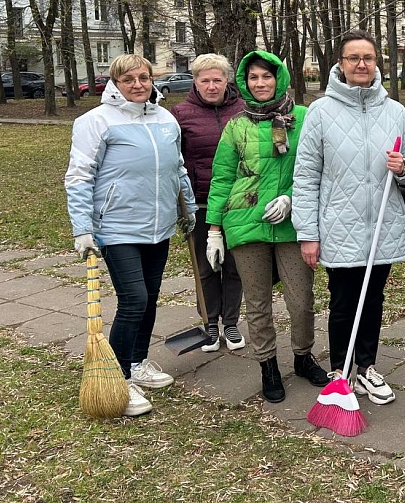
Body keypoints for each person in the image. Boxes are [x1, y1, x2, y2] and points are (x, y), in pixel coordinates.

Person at [65, 53, 196, 417]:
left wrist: (188, 207)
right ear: (115, 83)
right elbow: (79, 176)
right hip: (117, 227)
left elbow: (178, 168)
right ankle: (119, 377)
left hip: (159, 226)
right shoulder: (96, 121)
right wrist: (83, 228)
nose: (138, 85)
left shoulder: (165, 118)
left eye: (144, 77)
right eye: (128, 79)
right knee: (134, 299)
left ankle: (138, 362)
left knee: (150, 297)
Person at [293, 30, 405, 406]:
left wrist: (403, 169)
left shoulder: (395, 111)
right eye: (353, 58)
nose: (361, 64)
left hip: (382, 224)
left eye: (368, 57)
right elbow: (305, 176)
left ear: (377, 61)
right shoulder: (321, 111)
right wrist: (308, 233)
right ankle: (340, 370)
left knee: (373, 298)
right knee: (344, 299)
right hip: (338, 225)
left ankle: (367, 367)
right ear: (341, 64)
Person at [205, 50, 330, 404]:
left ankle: (304, 357)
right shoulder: (237, 125)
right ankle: (268, 365)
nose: (261, 84)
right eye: (254, 78)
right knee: (257, 302)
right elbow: (222, 178)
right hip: (246, 224)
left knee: (301, 299)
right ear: (245, 83)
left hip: (294, 224)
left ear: (280, 79)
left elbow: (318, 167)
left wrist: (291, 197)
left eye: (267, 76)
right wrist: (214, 230)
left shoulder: (304, 118)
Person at [171, 54, 245, 353]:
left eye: (217, 80)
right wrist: (181, 205)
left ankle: (230, 322)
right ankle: (210, 322)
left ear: (227, 81)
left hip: (239, 203)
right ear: (195, 82)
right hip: (200, 203)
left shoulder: (243, 110)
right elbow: (175, 161)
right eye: (205, 80)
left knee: (234, 266)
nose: (212, 86)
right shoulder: (181, 113)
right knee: (206, 267)